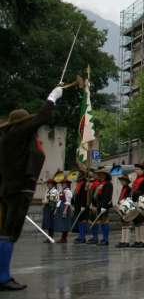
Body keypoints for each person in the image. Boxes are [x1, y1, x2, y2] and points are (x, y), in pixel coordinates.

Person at [0, 85, 61, 291]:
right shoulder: (17, 135)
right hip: (19, 189)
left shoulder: (7, 138)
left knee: (4, 232)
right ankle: (3, 277)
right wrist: (52, 98)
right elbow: (42, 118)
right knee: (10, 233)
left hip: (8, 189)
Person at [130, 163, 144, 248]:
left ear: (143, 170)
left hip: (141, 201)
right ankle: (137, 240)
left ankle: (143, 241)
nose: (136, 171)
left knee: (142, 221)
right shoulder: (136, 179)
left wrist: (137, 194)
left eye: (138, 169)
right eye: (136, 169)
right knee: (136, 221)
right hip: (134, 201)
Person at [93, 168, 113, 246]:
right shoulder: (100, 184)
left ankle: (106, 239)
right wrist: (97, 192)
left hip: (105, 205)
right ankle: (103, 238)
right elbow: (96, 196)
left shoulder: (108, 184)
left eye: (101, 174)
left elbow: (107, 196)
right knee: (101, 222)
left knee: (105, 221)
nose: (100, 176)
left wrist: (104, 206)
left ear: (105, 175)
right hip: (99, 204)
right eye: (99, 174)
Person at [54, 177, 74, 243]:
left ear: (67, 184)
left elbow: (68, 202)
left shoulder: (68, 191)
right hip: (61, 206)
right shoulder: (62, 191)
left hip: (65, 207)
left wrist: (65, 210)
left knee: (65, 223)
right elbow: (59, 200)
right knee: (62, 223)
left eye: (64, 184)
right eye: (62, 184)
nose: (63, 185)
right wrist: (56, 209)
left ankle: (64, 238)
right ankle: (63, 238)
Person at [71, 171, 89, 243]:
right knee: (79, 221)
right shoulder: (79, 183)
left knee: (82, 221)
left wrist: (83, 205)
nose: (78, 175)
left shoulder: (84, 183)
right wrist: (72, 202)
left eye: (80, 174)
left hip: (82, 205)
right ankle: (80, 236)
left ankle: (82, 237)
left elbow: (84, 195)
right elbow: (75, 194)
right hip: (77, 205)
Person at [115, 175, 132, 248]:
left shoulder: (128, 189)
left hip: (126, 207)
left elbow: (128, 198)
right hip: (122, 207)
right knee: (123, 224)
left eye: (123, 181)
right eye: (121, 181)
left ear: (126, 181)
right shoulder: (123, 188)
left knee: (127, 224)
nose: (121, 182)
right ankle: (123, 240)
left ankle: (126, 241)